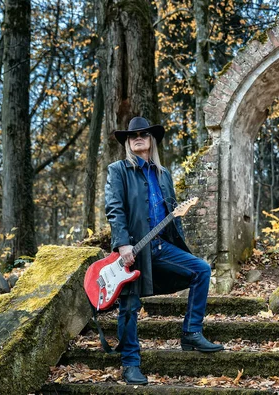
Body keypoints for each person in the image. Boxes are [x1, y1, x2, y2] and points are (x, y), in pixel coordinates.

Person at [105, 116, 224, 385]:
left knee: (201, 270)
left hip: (161, 247)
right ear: (127, 141)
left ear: (151, 140)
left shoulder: (164, 174)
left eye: (144, 134)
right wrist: (123, 243)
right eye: (133, 135)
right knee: (129, 305)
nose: (138, 137)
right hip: (133, 250)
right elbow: (115, 209)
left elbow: (172, 213)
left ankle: (191, 333)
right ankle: (130, 363)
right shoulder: (118, 170)